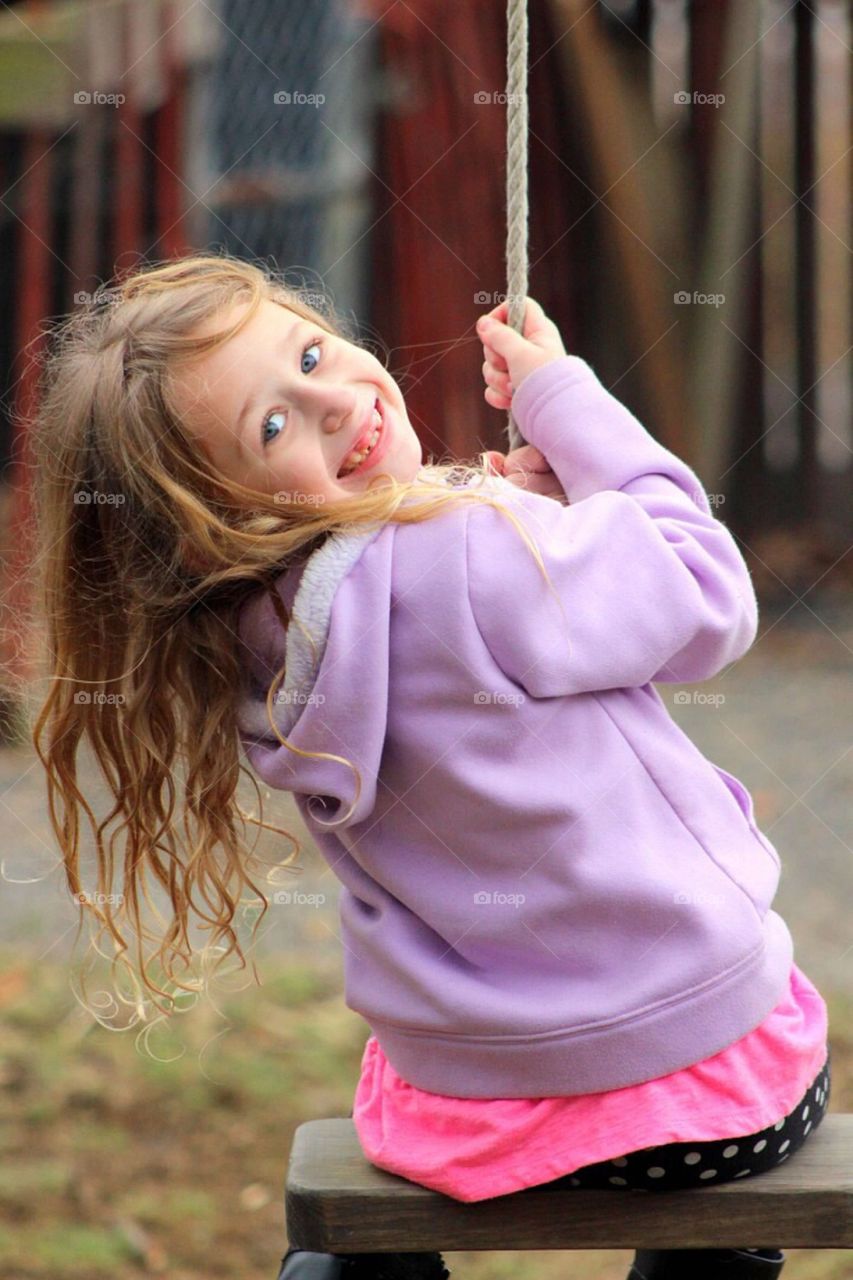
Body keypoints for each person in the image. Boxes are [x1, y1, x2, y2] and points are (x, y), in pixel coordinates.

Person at [28, 254, 830, 1280]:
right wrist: (565, 403)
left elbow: (417, 602)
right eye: (270, 426)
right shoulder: (472, 549)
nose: (330, 402)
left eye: (309, 354)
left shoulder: (259, 638)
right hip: (705, 1094)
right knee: (728, 1221)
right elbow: (706, 590)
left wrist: (538, 523)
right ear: (210, 521)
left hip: (465, 1113)